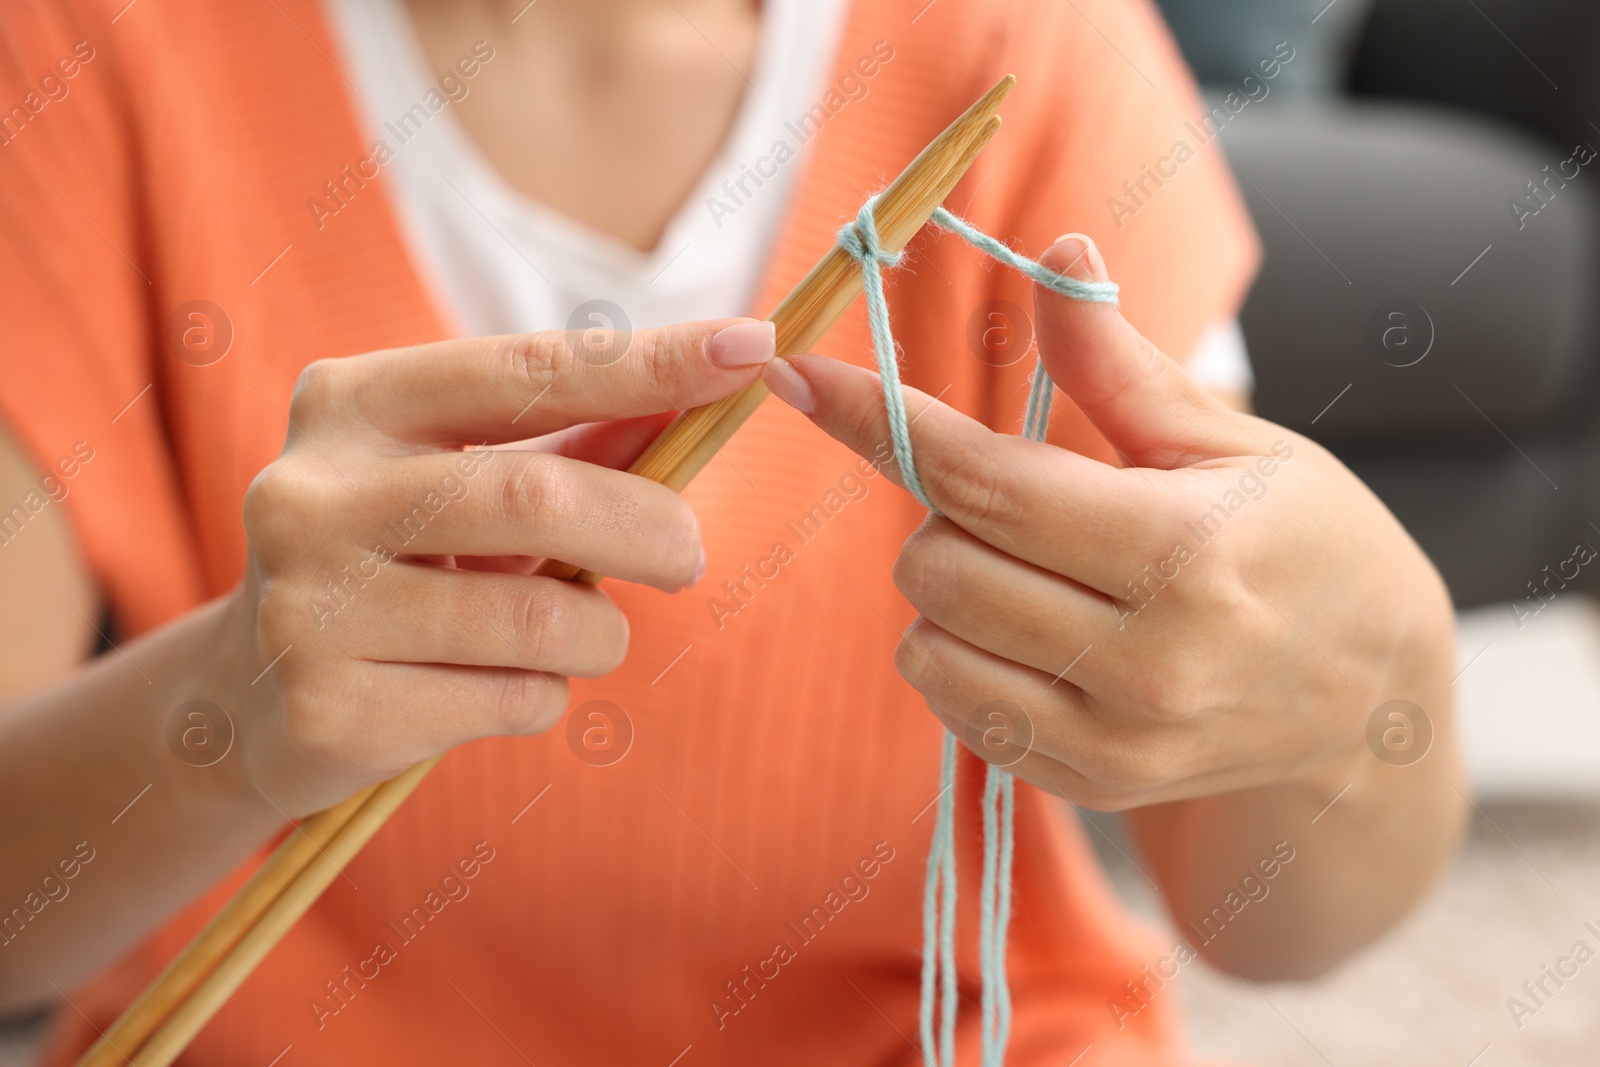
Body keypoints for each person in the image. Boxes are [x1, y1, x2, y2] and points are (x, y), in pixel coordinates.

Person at [0, 0, 1464, 1063]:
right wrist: (221, 711)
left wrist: (1380, 681)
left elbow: (1270, 921)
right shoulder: (85, 48)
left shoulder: (1025, 46)